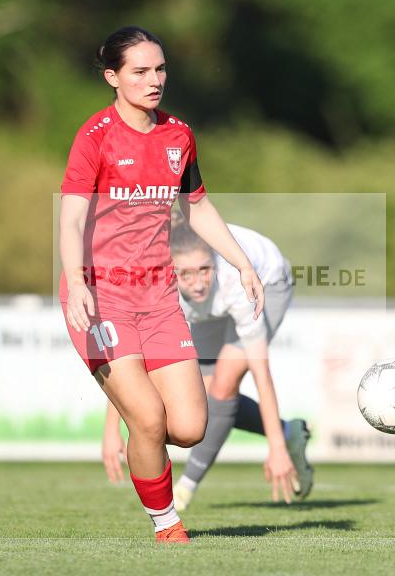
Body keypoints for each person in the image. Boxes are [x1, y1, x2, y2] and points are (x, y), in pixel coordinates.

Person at [59, 26, 264, 544]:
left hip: (158, 298)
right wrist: (77, 281)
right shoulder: (96, 136)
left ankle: (140, 442)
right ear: (113, 77)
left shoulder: (179, 135)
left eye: (161, 69)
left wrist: (241, 263)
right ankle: (166, 524)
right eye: (141, 71)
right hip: (101, 297)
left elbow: (197, 207)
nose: (155, 80)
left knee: (190, 427)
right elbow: (71, 219)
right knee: (148, 417)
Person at [101, 214, 314, 510]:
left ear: (214, 260)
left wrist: (276, 449)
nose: (198, 283)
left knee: (224, 384)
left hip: (268, 281)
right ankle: (291, 432)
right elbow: (133, 360)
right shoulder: (157, 287)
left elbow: (260, 372)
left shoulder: (234, 284)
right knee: (201, 394)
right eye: (185, 274)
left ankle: (185, 489)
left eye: (204, 270)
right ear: (169, 270)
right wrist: (111, 432)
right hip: (214, 301)